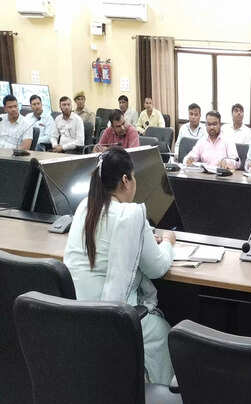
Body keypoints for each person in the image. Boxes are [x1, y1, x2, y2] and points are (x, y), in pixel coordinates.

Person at [63, 147, 176, 385]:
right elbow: (158, 268)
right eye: (133, 177)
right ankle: (160, 395)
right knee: (162, 331)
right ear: (125, 180)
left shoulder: (85, 207)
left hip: (72, 314)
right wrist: (167, 242)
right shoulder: (131, 214)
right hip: (110, 319)